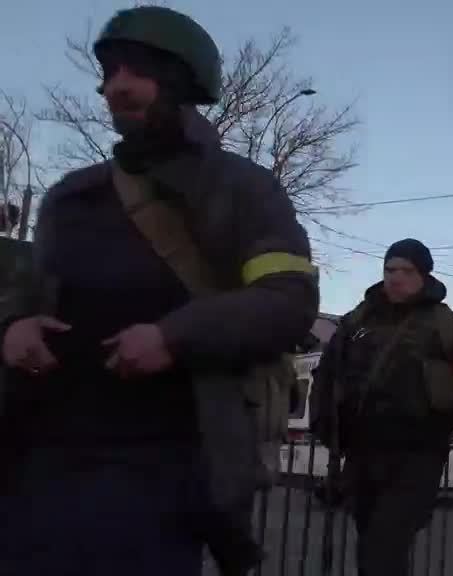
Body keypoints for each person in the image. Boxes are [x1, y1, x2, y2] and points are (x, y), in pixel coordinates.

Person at [0, 6, 318, 576]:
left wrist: (174, 337)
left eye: (137, 69)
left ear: (182, 81)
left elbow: (288, 300)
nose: (116, 86)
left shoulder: (242, 189)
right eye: (109, 73)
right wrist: (12, 329)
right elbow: (23, 299)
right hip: (38, 463)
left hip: (166, 467)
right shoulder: (70, 197)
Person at [311, 238, 453, 576]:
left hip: (417, 458)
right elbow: (326, 374)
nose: (396, 277)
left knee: (384, 549)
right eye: (390, 269)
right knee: (370, 548)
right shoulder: (357, 321)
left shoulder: (449, 327)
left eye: (407, 271)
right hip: (362, 455)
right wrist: (324, 424)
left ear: (423, 276)